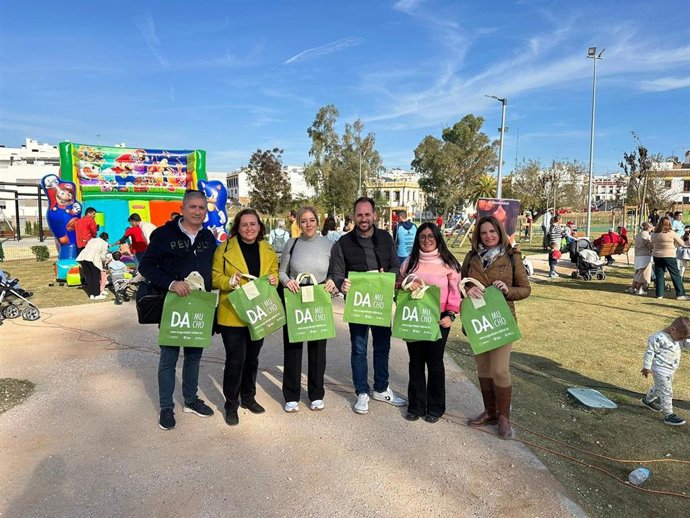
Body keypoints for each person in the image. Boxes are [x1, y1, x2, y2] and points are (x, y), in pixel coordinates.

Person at [138, 190, 217, 431]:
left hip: (199, 308)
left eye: (201, 208)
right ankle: (166, 407)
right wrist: (172, 283)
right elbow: (146, 266)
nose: (197, 212)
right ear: (182, 208)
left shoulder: (207, 237)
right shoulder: (163, 234)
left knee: (194, 356)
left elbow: (213, 267)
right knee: (169, 358)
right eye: (192, 207)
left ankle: (191, 400)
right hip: (172, 305)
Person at [328, 196, 405, 414]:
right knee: (359, 349)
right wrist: (343, 284)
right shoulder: (343, 243)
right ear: (354, 217)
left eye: (367, 214)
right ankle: (362, 391)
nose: (363, 219)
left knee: (382, 347)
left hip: (379, 303)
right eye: (359, 215)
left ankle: (381, 388)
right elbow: (337, 273)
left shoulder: (386, 237)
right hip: (358, 304)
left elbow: (395, 266)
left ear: (374, 215)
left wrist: (386, 276)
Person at [462, 216, 531, 439]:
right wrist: (467, 289)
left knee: (499, 370)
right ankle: (490, 412)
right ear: (478, 235)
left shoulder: (511, 257)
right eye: (483, 233)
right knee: (483, 369)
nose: (488, 236)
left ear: (499, 232)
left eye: (492, 231)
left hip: (501, 321)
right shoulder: (472, 257)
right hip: (478, 322)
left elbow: (525, 289)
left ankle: (504, 417)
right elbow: (461, 282)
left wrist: (507, 290)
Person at [212, 208, 279, 426]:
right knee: (235, 360)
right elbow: (214, 277)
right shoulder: (224, 249)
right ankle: (231, 404)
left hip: (258, 311)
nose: (249, 228)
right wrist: (228, 282)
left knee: (252, 358)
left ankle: (248, 398)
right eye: (244, 224)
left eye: (253, 224)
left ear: (259, 227)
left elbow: (275, 275)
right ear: (237, 227)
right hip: (233, 312)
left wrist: (273, 280)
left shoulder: (268, 249)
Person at [397, 223, 461, 423]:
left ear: (438, 237)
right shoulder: (410, 262)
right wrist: (407, 282)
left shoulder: (448, 263)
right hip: (415, 317)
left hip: (438, 318)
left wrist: (450, 315)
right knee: (415, 362)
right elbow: (398, 285)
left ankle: (435, 407)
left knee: (434, 364)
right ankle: (416, 405)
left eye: (431, 236)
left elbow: (455, 292)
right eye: (422, 236)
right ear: (417, 239)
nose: (427, 240)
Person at [280, 207, 338, 413]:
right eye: (303, 221)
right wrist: (287, 282)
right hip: (296, 297)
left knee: (317, 349)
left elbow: (335, 272)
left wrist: (333, 282)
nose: (308, 224)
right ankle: (291, 394)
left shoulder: (329, 245)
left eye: (312, 220)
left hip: (319, 296)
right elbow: (281, 272)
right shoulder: (292, 243)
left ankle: (316, 394)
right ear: (298, 223)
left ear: (317, 221)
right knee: (293, 348)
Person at [641, 317, 690, 426]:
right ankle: (669, 415)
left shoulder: (677, 336)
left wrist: (686, 338)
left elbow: (687, 344)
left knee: (660, 387)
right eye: (680, 338)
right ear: (673, 329)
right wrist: (646, 367)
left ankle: (647, 400)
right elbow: (649, 352)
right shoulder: (658, 338)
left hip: (670, 370)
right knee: (667, 391)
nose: (680, 341)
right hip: (660, 370)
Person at [651, 218, 688, 300]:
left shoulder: (654, 234)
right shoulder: (671, 233)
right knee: (675, 274)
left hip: (657, 256)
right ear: (669, 224)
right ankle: (680, 294)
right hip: (669, 255)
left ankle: (659, 294)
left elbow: (651, 243)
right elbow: (681, 243)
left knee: (659, 274)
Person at [76, 231, 109, 300]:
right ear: (106, 239)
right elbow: (103, 256)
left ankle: (91, 294)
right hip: (93, 260)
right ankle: (97, 295)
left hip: (83, 258)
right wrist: (105, 260)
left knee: (89, 277)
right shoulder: (105, 243)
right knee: (95, 277)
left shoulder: (92, 240)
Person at [631, 222, 654, 295]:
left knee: (637, 273)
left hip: (638, 255)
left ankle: (633, 287)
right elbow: (650, 245)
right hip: (645, 255)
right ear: (649, 228)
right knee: (643, 274)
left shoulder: (638, 234)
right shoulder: (646, 235)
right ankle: (638, 289)